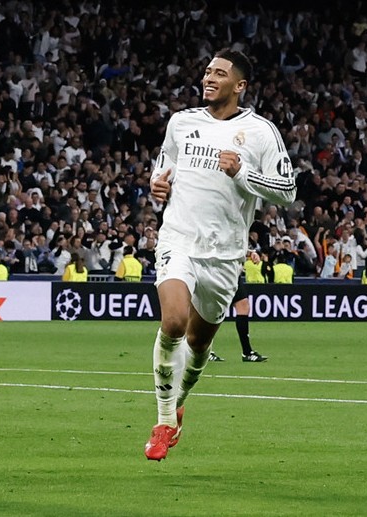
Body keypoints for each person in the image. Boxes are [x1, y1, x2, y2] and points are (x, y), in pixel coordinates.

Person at [144, 49, 296, 461]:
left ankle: (178, 404)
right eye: (208, 71)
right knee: (173, 321)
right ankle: (163, 421)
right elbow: (163, 167)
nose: (209, 78)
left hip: (226, 255)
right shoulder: (181, 122)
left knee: (197, 346)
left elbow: (287, 191)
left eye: (219, 73)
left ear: (239, 85)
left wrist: (242, 173)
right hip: (179, 239)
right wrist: (157, 184)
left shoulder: (260, 132)